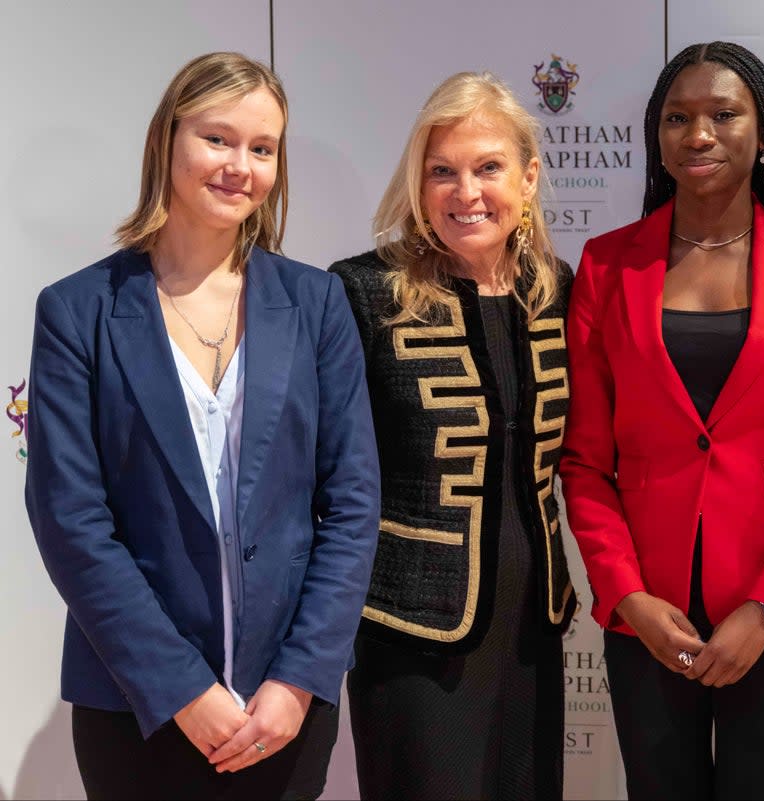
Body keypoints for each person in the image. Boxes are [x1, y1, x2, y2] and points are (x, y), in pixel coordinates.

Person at [24, 52, 380, 801]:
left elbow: (351, 506)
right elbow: (70, 519)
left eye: (262, 147)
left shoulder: (317, 304)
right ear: (168, 140)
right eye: (218, 139)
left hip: (283, 710)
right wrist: (183, 687)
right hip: (134, 704)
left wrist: (297, 678)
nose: (239, 165)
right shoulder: (77, 311)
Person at [559, 41, 764, 801]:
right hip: (647, 613)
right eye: (677, 118)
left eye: (723, 114)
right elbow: (582, 462)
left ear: (762, 133)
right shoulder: (605, 266)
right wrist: (626, 595)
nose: (698, 134)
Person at [329, 71, 576, 801]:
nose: (465, 191)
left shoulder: (553, 287)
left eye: (487, 168)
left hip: (533, 625)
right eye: (442, 171)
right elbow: (329, 474)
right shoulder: (363, 290)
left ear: (528, 179)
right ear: (417, 183)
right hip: (411, 634)